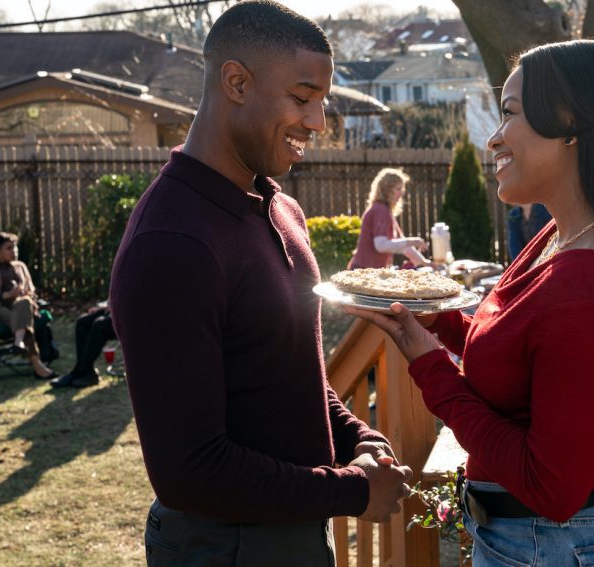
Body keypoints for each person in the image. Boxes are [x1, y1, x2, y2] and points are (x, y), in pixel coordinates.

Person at [345, 40, 594, 566]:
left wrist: (428, 366)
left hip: (563, 546)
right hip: (535, 542)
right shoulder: (559, 241)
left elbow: (552, 488)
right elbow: (515, 361)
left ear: (572, 128)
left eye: (510, 113)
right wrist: (429, 314)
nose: (493, 138)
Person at [108, 2, 411, 565]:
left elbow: (287, 367)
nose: (318, 122)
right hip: (226, 546)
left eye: (322, 102)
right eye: (301, 98)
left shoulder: (280, 208)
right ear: (237, 82)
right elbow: (190, 473)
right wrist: (352, 490)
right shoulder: (172, 245)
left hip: (290, 529)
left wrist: (355, 438)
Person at [0, 232, 57, 379]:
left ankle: (19, 343)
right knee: (24, 321)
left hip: (21, 306)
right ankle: (37, 365)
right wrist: (6, 295)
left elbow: (31, 292)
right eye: (9, 248)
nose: (14, 251)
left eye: (15, 248)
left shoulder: (20, 266)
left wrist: (24, 295)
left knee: (24, 306)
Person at [347, 167, 428, 269]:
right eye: (398, 189)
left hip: (369, 271)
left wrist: (425, 263)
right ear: (387, 190)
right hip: (363, 271)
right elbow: (381, 245)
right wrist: (413, 241)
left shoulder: (384, 210)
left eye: (402, 189)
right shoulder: (380, 210)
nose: (402, 193)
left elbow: (403, 244)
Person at [49, 303, 114, 389]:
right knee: (82, 322)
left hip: (130, 317)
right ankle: (86, 372)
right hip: (114, 311)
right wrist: (103, 306)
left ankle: (81, 371)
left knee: (99, 325)